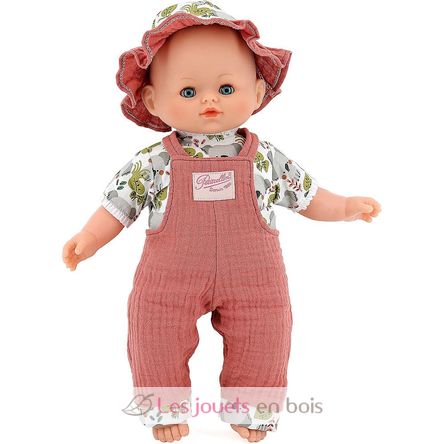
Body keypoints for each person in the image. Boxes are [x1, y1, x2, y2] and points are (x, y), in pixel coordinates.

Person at [62, 2, 381, 442]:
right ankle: (163, 408)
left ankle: (252, 409)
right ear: (153, 99)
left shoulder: (267, 158)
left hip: (255, 279)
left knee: (266, 334)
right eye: (188, 91)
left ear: (257, 91)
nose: (209, 100)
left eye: (226, 88)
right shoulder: (153, 163)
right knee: (153, 331)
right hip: (169, 278)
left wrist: (344, 206)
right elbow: (118, 206)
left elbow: (308, 196)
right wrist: (89, 237)